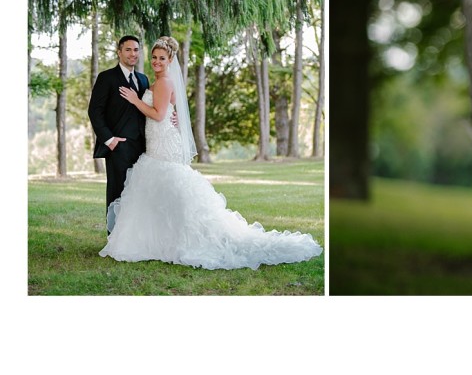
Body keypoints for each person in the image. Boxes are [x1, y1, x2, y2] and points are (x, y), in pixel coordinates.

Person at [99, 36, 323, 270]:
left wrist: (136, 100)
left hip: (163, 144)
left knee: (168, 184)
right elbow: (167, 109)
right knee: (159, 188)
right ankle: (157, 239)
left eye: (162, 58)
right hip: (156, 141)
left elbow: (158, 114)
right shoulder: (152, 82)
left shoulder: (164, 82)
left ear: (170, 59)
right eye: (154, 57)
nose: (156, 61)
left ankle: (181, 239)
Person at [89, 35, 149, 233]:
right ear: (119, 52)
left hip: (143, 146)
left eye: (136, 50)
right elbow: (95, 111)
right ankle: (115, 236)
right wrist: (110, 140)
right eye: (128, 50)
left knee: (139, 191)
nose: (133, 54)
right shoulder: (107, 78)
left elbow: (150, 108)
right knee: (117, 191)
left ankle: (134, 235)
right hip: (118, 146)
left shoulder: (143, 79)